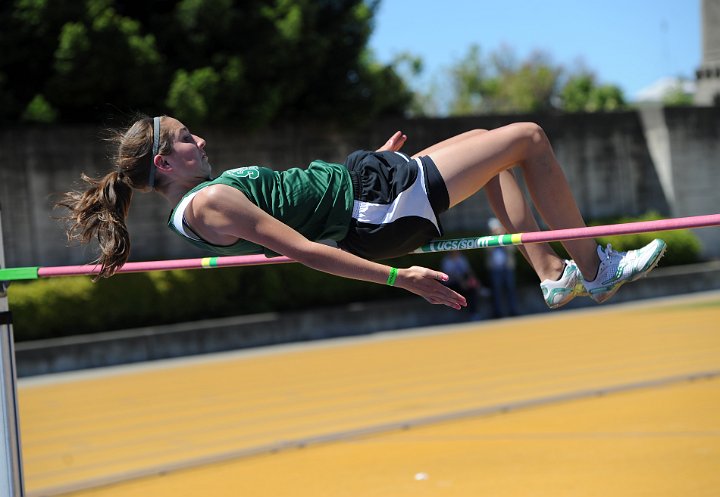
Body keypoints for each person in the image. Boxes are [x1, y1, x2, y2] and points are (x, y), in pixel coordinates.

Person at [57, 115, 666, 310]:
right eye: (188, 139)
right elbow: (307, 250)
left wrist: (372, 160)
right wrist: (404, 279)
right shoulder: (210, 203)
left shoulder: (208, 193)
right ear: (165, 164)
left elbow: (304, 197)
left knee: (493, 141)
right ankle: (595, 268)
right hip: (376, 211)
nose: (202, 142)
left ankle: (551, 274)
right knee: (527, 138)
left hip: (370, 185)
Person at [486, 218, 519, 318]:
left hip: (508, 267)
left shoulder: (506, 238)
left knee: (511, 290)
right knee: (496, 291)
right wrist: (495, 238)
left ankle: (513, 310)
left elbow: (513, 250)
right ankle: (497, 312)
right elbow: (488, 251)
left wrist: (502, 238)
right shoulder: (488, 239)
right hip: (495, 269)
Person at [440, 250, 482, 319]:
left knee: (473, 290)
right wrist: (461, 282)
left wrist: (474, 279)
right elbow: (449, 276)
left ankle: (474, 313)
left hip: (463, 283)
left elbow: (468, 271)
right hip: (452, 284)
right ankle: (458, 316)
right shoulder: (446, 261)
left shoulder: (462, 258)